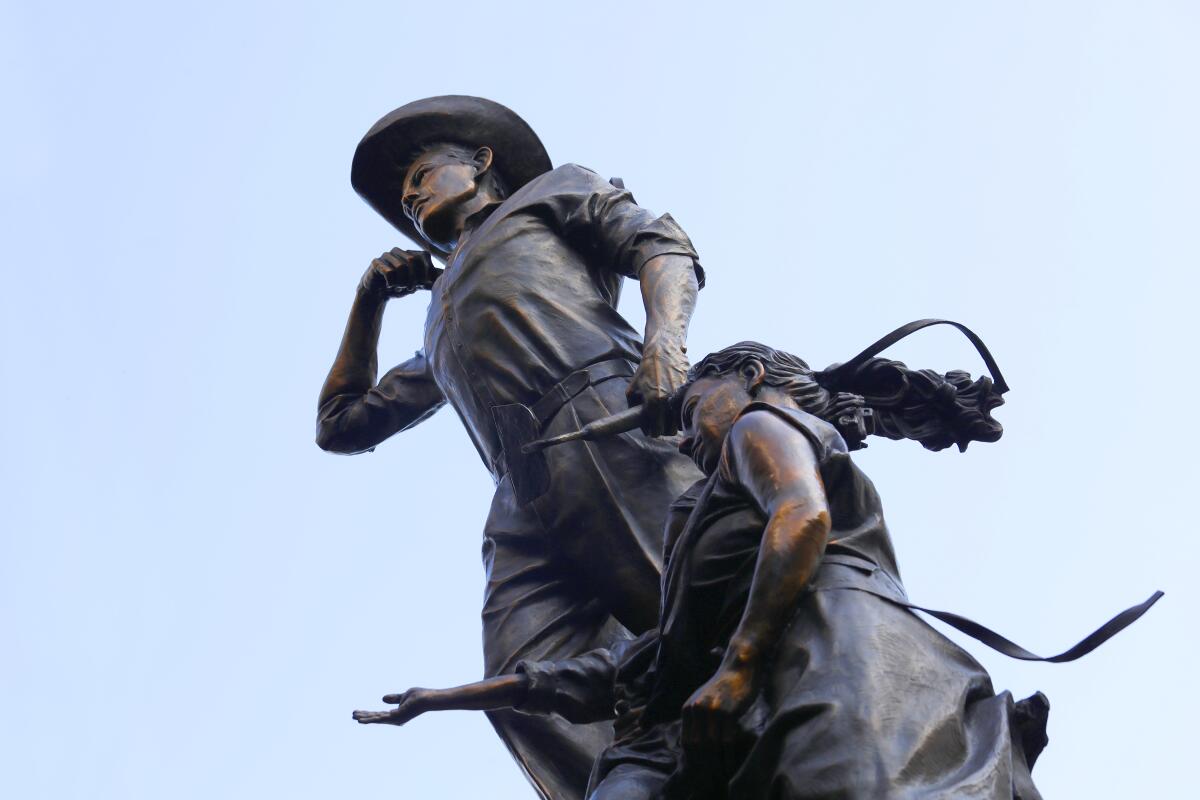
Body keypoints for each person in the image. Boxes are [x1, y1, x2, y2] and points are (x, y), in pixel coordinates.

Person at [355, 341, 1049, 800]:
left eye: (689, 412)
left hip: (840, 662)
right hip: (819, 664)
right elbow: (619, 666)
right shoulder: (714, 503)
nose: (684, 438)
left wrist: (739, 666)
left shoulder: (758, 425)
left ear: (746, 379)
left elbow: (801, 517)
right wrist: (443, 697)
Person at [318, 96, 704, 799]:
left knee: (704, 623)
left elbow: (662, 247)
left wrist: (664, 343)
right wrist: (370, 297)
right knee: (522, 684)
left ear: (480, 163)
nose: (407, 194)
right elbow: (340, 424)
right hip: (522, 497)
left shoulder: (550, 196)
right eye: (403, 191)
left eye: (418, 173)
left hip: (611, 431)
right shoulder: (439, 313)